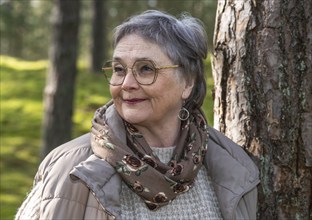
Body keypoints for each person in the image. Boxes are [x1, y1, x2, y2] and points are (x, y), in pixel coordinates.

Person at [15, 10, 259, 220]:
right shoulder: (71, 168)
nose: (127, 84)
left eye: (145, 69)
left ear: (188, 82)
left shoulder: (233, 164)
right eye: (119, 69)